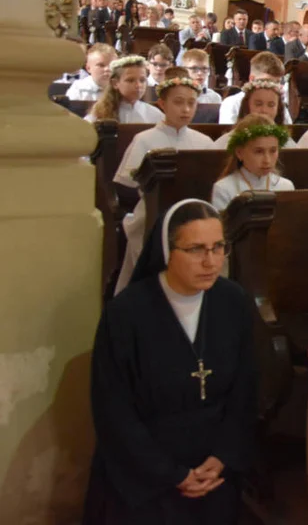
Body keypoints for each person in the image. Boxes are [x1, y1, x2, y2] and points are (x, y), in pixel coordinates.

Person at [84, 199, 257, 524]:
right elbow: (113, 408)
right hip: (144, 473)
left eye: (218, 247)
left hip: (214, 468)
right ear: (166, 251)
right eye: (195, 249)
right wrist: (170, 473)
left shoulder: (233, 301)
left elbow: (245, 390)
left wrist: (222, 457)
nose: (210, 261)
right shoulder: (126, 315)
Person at [114, 68, 216, 294]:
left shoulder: (205, 142)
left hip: (194, 213)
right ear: (162, 104)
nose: (186, 109)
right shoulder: (145, 139)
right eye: (178, 102)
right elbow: (129, 181)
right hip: (152, 214)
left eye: (192, 103)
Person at [211, 115, 295, 209]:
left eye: (273, 151)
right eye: (259, 151)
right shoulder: (224, 188)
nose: (267, 160)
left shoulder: (286, 186)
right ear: (239, 153)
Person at [213, 80, 296, 149]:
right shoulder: (229, 140)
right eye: (258, 104)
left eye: (271, 105)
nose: (264, 110)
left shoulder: (287, 142)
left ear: (278, 109)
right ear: (247, 106)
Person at [86, 55, 164, 124]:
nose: (138, 85)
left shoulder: (155, 115)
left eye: (142, 80)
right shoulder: (99, 114)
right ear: (115, 83)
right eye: (130, 80)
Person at [218, 52, 290, 125]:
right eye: (266, 81)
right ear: (252, 79)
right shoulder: (232, 103)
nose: (272, 86)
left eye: (277, 82)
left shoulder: (279, 104)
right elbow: (228, 132)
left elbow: (288, 130)